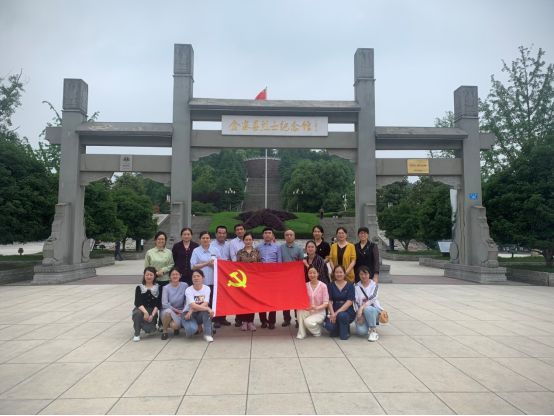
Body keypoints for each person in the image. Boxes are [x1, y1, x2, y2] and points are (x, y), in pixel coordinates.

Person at [191, 232, 220, 332]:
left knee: (211, 304)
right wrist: (206, 264)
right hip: (200, 283)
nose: (205, 240)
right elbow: (193, 266)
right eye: (203, 238)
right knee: (200, 303)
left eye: (207, 238)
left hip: (213, 282)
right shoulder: (196, 251)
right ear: (200, 239)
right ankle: (199, 324)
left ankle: (210, 325)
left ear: (210, 239)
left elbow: (220, 265)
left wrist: (214, 265)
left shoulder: (215, 250)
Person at [256, 227, 282, 330]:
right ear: (263, 235)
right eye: (265, 233)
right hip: (261, 278)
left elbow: (279, 263)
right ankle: (263, 321)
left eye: (269, 233)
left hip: (272, 278)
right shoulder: (258, 247)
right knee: (261, 300)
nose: (267, 234)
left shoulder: (277, 247)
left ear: (272, 235)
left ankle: (271, 321)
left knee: (272, 300)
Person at [235, 232, 262, 332]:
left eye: (250, 240)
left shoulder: (257, 251)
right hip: (243, 281)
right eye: (246, 240)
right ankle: (244, 322)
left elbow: (260, 264)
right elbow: (237, 266)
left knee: (251, 302)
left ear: (252, 240)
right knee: (243, 301)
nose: (248, 241)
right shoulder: (240, 252)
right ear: (243, 241)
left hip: (253, 281)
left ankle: (251, 321)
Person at [296, 266, 329, 339]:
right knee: (300, 310)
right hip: (308, 311)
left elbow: (326, 303)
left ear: (318, 274)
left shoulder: (323, 286)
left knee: (308, 322)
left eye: (314, 273)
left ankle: (318, 330)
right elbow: (301, 299)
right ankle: (301, 333)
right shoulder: (305, 285)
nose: (312, 275)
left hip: (319, 312)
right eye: (310, 273)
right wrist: (305, 307)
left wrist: (316, 307)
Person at [281, 229, 305, 328]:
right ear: (284, 237)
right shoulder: (281, 248)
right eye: (287, 235)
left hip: (295, 279)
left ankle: (297, 319)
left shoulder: (299, 249)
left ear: (294, 236)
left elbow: (301, 264)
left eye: (291, 235)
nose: (289, 236)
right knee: (285, 300)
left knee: (296, 300)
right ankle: (286, 319)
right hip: (284, 279)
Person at [182, 270, 214, 343]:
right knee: (191, 331)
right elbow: (193, 305)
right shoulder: (188, 290)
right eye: (194, 276)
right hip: (188, 314)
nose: (196, 278)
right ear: (192, 278)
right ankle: (190, 329)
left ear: (202, 278)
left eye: (198, 276)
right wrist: (192, 310)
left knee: (207, 310)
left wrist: (192, 310)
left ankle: (207, 334)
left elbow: (206, 303)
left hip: (198, 313)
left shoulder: (207, 288)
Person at [325, 265, 356, 340]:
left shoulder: (350, 286)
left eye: (341, 272)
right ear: (334, 273)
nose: (339, 274)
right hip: (335, 309)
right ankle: (339, 327)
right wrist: (332, 313)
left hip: (347, 311)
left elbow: (349, 302)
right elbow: (329, 301)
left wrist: (336, 313)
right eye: (337, 272)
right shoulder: (330, 285)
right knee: (329, 326)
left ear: (344, 273)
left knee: (341, 316)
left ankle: (346, 331)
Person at [210, 226, 232, 328]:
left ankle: (223, 318)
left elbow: (232, 259)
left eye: (223, 233)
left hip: (226, 275)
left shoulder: (229, 245)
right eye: (219, 233)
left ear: (226, 234)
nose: (221, 235)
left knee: (224, 297)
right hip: (215, 274)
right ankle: (215, 319)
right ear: (216, 234)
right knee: (215, 296)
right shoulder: (211, 245)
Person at [132, 267, 161, 342]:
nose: (149, 277)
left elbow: (158, 303)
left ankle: (146, 325)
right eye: (147, 275)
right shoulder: (139, 287)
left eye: (151, 275)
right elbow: (137, 302)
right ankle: (137, 333)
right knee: (137, 313)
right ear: (144, 275)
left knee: (148, 330)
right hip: (141, 309)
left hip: (152, 311)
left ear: (154, 276)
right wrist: (145, 312)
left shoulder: (158, 287)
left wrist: (152, 315)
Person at [355, 266, 382, 342]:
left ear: (369, 274)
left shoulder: (374, 285)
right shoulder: (356, 287)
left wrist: (361, 308)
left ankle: (374, 331)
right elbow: (356, 302)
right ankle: (367, 325)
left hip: (374, 311)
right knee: (361, 332)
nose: (363, 276)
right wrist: (359, 314)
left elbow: (372, 298)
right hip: (362, 313)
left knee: (368, 308)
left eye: (365, 273)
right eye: (361, 274)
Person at [160, 267, 188, 341]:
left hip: (181, 311)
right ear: (169, 276)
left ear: (180, 275)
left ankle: (175, 326)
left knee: (174, 325)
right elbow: (165, 304)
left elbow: (187, 301)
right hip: (168, 310)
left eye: (177, 274)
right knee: (168, 312)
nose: (175, 276)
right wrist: (177, 311)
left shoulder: (185, 285)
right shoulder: (166, 288)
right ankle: (165, 331)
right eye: (172, 274)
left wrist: (183, 311)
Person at [230, 223, 247, 327]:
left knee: (247, 297)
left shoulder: (249, 240)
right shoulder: (232, 242)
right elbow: (233, 257)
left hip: (248, 273)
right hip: (238, 271)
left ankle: (247, 319)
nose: (239, 231)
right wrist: (239, 268)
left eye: (241, 229)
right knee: (239, 297)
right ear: (235, 232)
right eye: (237, 230)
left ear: (244, 230)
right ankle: (238, 319)